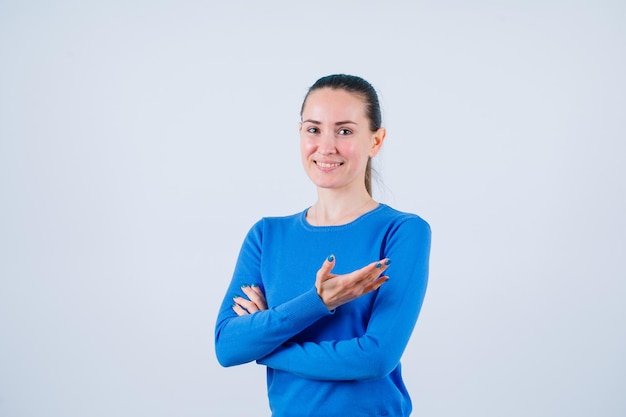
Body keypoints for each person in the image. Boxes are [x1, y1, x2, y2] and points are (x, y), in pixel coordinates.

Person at [214, 74, 431, 417]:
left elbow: (375, 357)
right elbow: (227, 346)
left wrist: (267, 344)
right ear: (299, 134)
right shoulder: (267, 235)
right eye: (313, 129)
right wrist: (317, 303)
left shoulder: (402, 231)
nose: (326, 146)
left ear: (376, 141)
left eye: (345, 131)